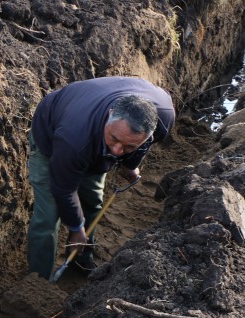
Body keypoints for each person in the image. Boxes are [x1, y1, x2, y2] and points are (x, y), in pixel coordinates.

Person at [26, 76, 176, 279]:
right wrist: (76, 228)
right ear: (110, 114)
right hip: (52, 133)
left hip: (90, 139)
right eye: (114, 139)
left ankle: (81, 257)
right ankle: (37, 280)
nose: (116, 150)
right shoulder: (74, 137)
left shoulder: (164, 117)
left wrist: (130, 165)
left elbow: (142, 146)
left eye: (129, 146)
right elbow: (63, 188)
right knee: (48, 216)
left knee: (93, 201)